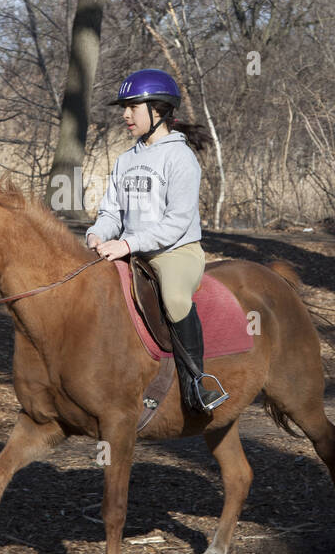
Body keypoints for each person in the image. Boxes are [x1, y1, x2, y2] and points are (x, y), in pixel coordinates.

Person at [85, 68, 228, 413]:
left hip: (175, 252)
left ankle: (198, 383)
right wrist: (97, 233)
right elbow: (111, 213)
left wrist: (127, 245)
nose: (125, 115)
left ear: (158, 109)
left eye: (133, 107)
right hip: (132, 251)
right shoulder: (125, 160)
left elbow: (175, 223)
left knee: (176, 298)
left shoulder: (180, 158)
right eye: (125, 107)